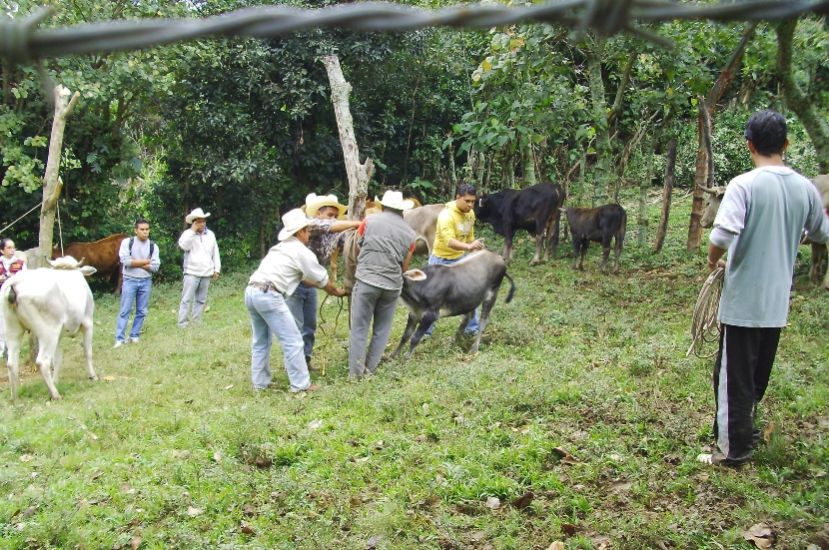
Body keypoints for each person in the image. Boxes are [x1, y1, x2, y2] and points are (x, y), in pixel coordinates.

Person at [700, 109, 829, 467]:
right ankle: (743, 432)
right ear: (786, 145)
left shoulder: (745, 184)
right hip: (776, 305)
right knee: (755, 376)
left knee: (732, 378)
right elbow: (821, 232)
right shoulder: (804, 188)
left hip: (743, 302)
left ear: (749, 145)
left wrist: (713, 261)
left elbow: (722, 234)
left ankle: (732, 451)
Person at [245, 208, 346, 392]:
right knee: (293, 340)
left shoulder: (280, 248)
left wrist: (323, 287)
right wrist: (337, 292)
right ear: (300, 232)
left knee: (260, 341)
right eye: (307, 231)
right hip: (269, 294)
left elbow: (301, 277)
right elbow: (322, 279)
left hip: (252, 291)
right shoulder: (301, 251)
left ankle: (260, 384)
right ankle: (300, 385)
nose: (309, 234)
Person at [286, 193, 360, 370]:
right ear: (318, 214)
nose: (333, 219)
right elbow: (330, 226)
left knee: (309, 326)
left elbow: (347, 240)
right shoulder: (310, 225)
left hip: (310, 283)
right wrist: (359, 223)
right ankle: (295, 367)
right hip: (295, 283)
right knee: (296, 327)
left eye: (335, 216)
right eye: (329, 215)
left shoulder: (334, 231)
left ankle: (305, 360)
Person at [349, 190, 417, 379]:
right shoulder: (411, 234)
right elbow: (405, 265)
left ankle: (355, 375)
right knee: (382, 329)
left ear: (383, 206)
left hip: (366, 281)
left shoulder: (369, 222)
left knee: (360, 328)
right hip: (392, 286)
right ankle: (370, 370)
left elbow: (358, 247)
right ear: (402, 210)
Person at [424, 182, 486, 337]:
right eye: (467, 201)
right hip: (440, 261)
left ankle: (471, 329)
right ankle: (425, 332)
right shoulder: (446, 216)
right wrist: (470, 247)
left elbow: (470, 237)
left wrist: (474, 249)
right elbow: (450, 242)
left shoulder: (470, 214)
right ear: (458, 197)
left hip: (460, 260)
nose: (471, 205)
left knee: (470, 294)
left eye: (473, 201)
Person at [115, 219, 161, 348]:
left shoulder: (153, 246)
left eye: (147, 229)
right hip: (129, 280)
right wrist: (146, 262)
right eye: (142, 229)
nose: (145, 232)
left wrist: (136, 262)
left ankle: (134, 335)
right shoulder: (127, 243)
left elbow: (155, 267)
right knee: (125, 310)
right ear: (136, 230)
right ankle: (120, 338)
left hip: (146, 281)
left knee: (142, 311)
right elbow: (125, 261)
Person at [177, 207, 221, 328]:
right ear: (193, 222)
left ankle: (196, 322)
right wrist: (192, 231)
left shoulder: (210, 234)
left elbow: (215, 252)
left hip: (206, 272)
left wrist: (216, 269)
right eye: (198, 221)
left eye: (203, 221)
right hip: (191, 272)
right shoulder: (187, 234)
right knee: (186, 299)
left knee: (201, 300)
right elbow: (184, 246)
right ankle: (183, 323)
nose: (201, 224)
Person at [0, 237, 27, 355]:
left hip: (16, 298)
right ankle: (2, 349)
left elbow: (26, 279)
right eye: (8, 248)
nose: (12, 250)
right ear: (2, 250)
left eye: (13, 247)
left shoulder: (20, 264)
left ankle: (13, 349)